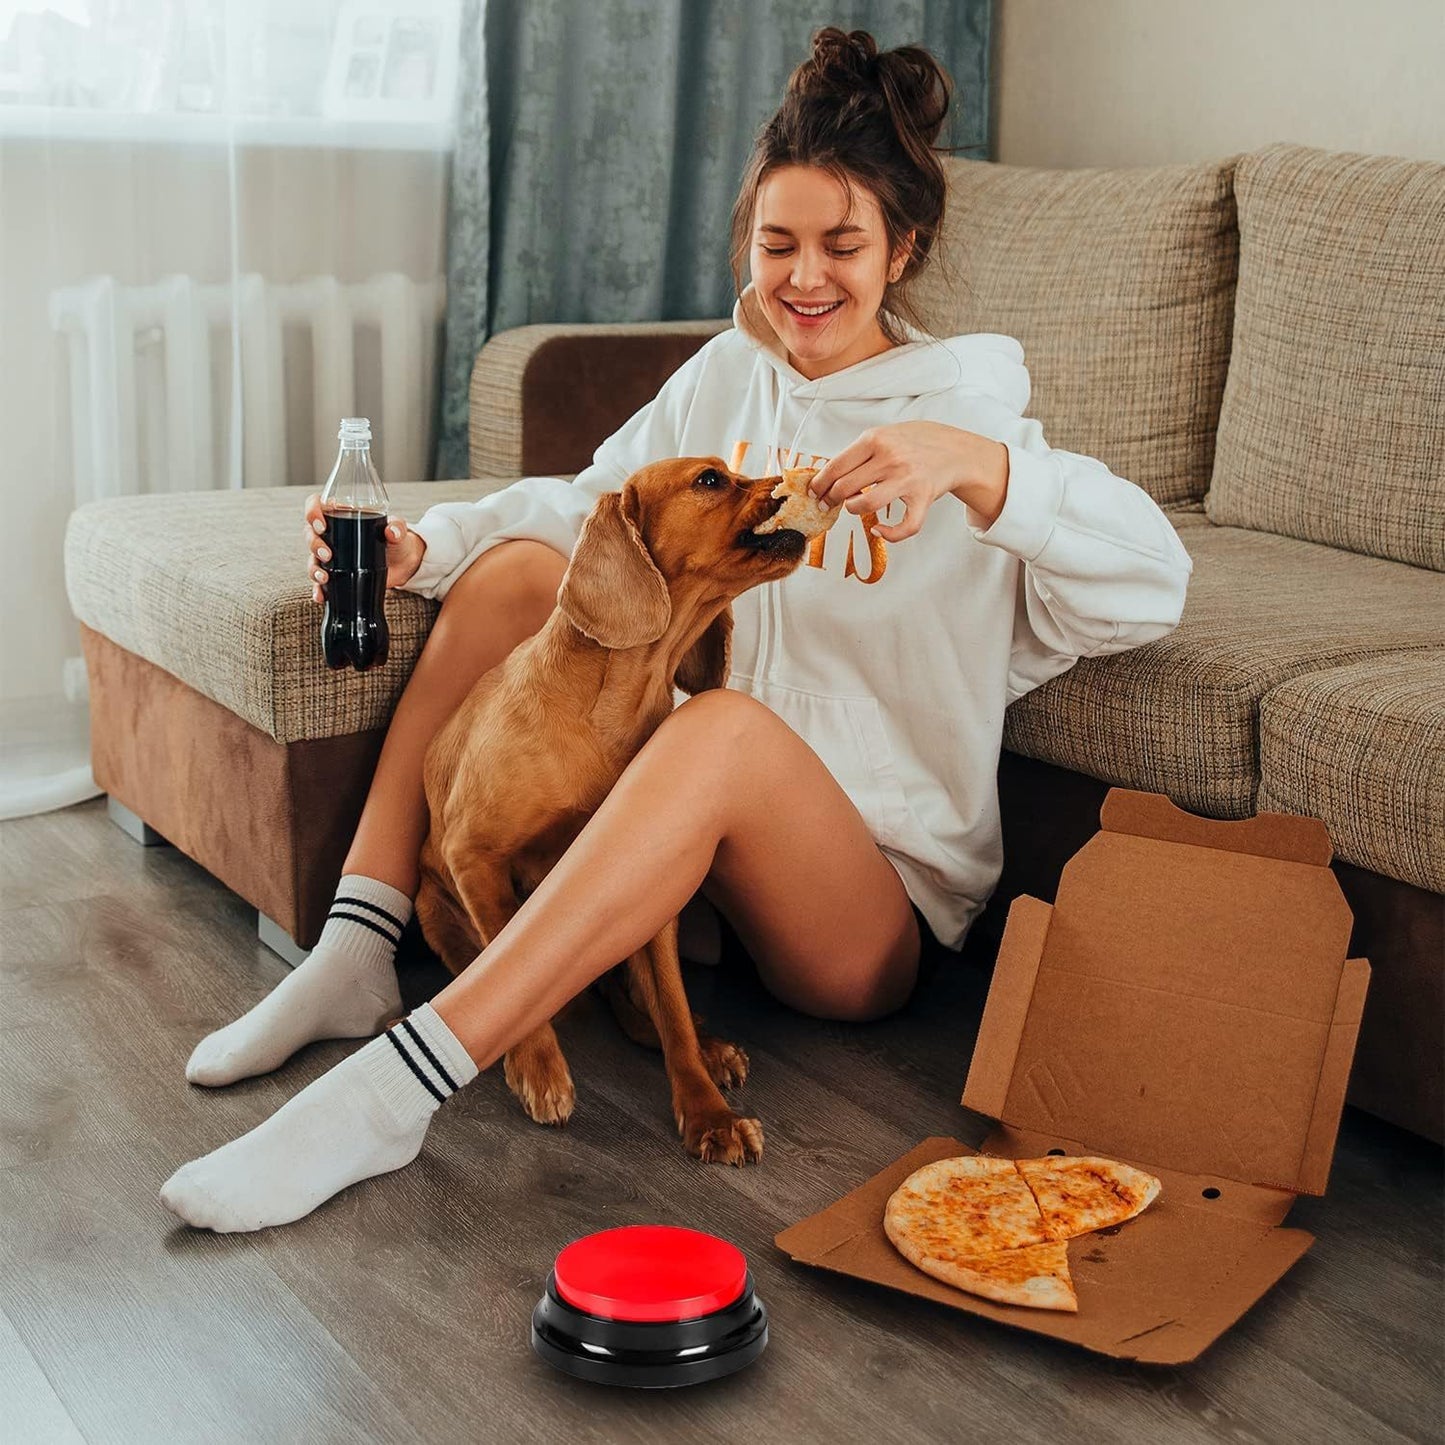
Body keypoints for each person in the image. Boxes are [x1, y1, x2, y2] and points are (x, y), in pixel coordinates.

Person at [160, 28, 1191, 1232]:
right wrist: (425, 548)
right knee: (516, 568)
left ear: (901, 249)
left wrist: (974, 467)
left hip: (859, 908)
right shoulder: (725, 378)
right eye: (777, 243)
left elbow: (1150, 586)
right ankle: (359, 939)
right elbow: (590, 503)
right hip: (683, 878)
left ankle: (397, 1089)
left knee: (719, 729)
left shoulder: (970, 425)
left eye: (843, 246)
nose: (804, 278)